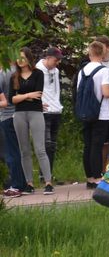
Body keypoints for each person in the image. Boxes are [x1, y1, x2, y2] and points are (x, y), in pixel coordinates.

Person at [9, 47, 54, 194]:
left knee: (40, 149)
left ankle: (48, 182)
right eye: (18, 58)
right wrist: (27, 95)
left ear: (29, 58)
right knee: (24, 151)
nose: (20, 61)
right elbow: (12, 99)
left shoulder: (38, 74)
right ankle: (29, 183)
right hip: (19, 115)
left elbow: (38, 94)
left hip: (35, 113)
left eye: (23, 57)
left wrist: (20, 96)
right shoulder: (14, 77)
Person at [77, 41, 109, 189]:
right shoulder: (104, 70)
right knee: (97, 145)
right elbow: (105, 92)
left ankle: (90, 178)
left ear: (90, 53)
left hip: (85, 112)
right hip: (100, 114)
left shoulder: (83, 70)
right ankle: (98, 177)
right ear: (103, 53)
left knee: (87, 145)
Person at [36, 47, 64, 177]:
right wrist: (38, 104)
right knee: (45, 144)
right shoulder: (37, 70)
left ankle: (49, 173)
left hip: (55, 110)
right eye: (55, 60)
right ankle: (43, 174)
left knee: (52, 144)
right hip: (44, 111)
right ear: (48, 58)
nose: (57, 63)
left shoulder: (56, 71)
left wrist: (58, 105)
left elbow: (56, 89)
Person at [0, 64, 26, 198]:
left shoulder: (3, 73)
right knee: (15, 151)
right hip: (16, 115)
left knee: (10, 153)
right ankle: (22, 183)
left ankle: (15, 185)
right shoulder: (15, 71)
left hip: (5, 116)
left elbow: (4, 100)